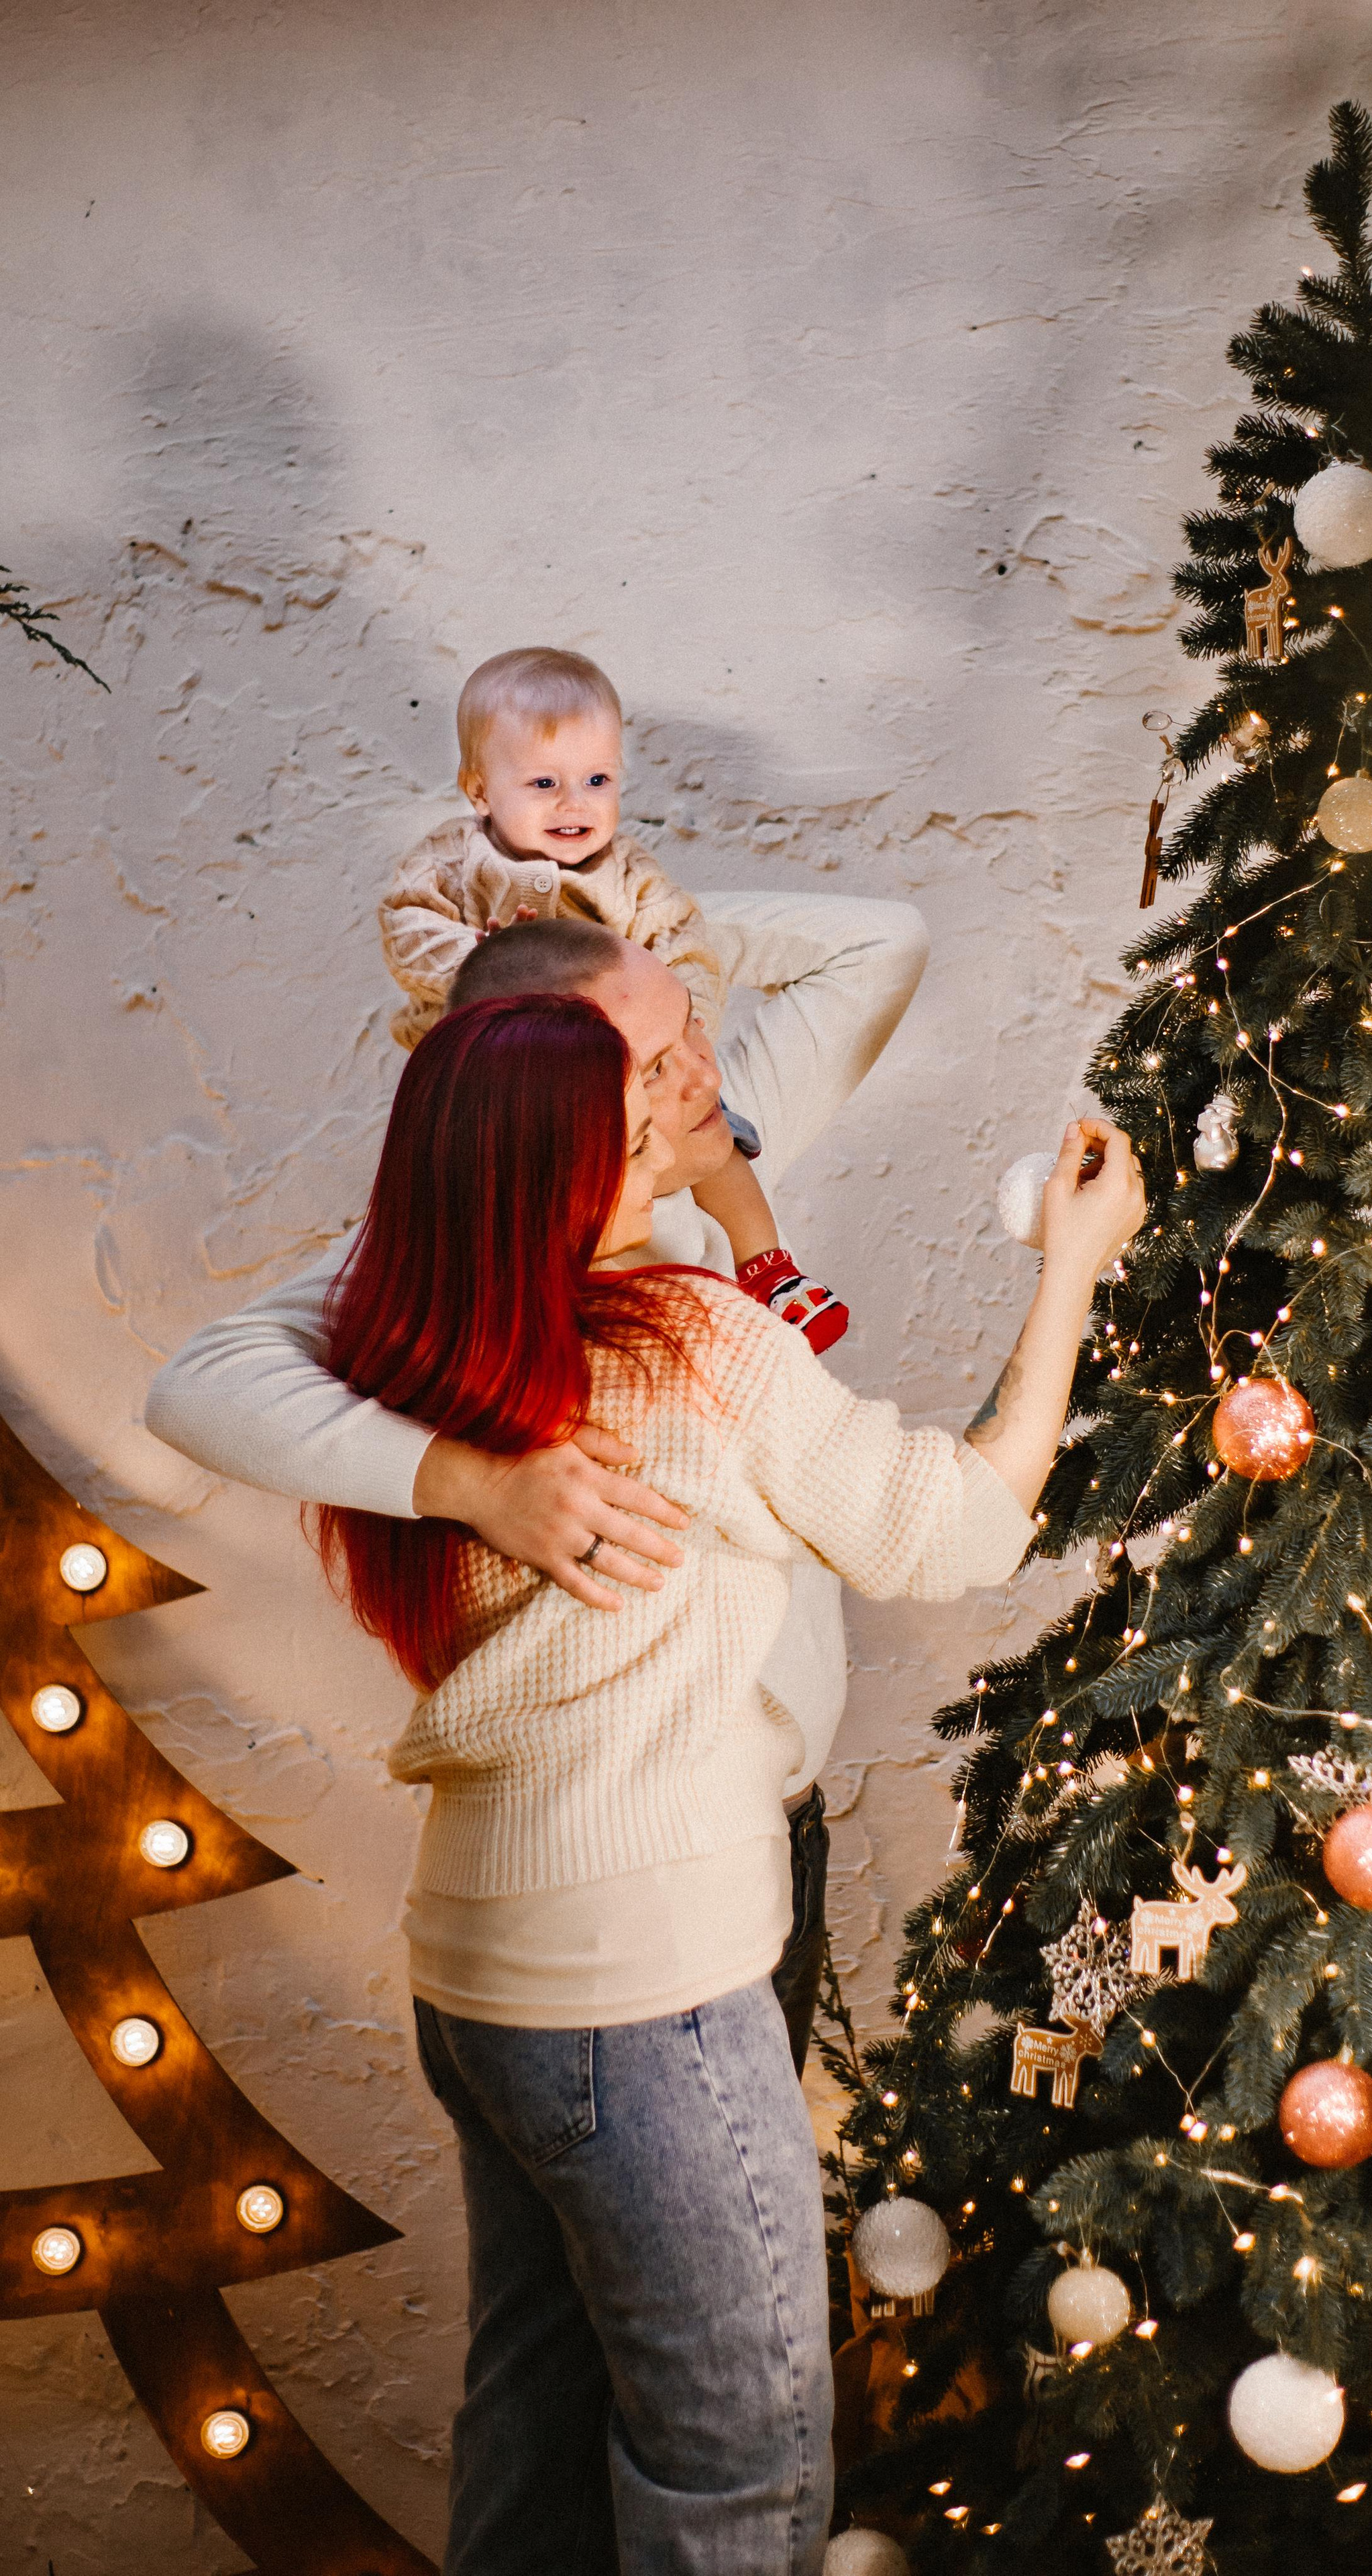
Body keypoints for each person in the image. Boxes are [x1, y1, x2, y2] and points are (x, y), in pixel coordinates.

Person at [308, 985, 1143, 2575]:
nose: (688, 1096)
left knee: (537, 2411)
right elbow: (949, 1527)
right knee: (735, 2464)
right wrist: (1070, 1272)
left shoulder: (413, 1333)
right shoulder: (687, 1338)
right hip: (645, 2000)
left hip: (480, 1972)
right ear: (566, 1173)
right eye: (643, 1106)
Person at [146, 890, 927, 2076]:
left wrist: (649, 914)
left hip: (773, 1830)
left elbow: (887, 940)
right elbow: (197, 1384)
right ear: (551, 1105)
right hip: (631, 1878)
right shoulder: (470, 1258)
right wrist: (470, 1483)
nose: (701, 1075)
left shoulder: (705, 1130)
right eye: (652, 1065)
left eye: (690, 1027)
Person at [380, 644, 845, 1348]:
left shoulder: (627, 873)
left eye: (597, 779)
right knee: (486, 1190)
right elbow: (405, 929)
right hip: (500, 1087)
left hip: (624, 1076)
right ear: (479, 791)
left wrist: (673, 1032)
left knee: (722, 1145)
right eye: (543, 784)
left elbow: (685, 943)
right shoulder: (451, 865)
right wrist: (483, 961)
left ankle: (766, 1265)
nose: (575, 803)